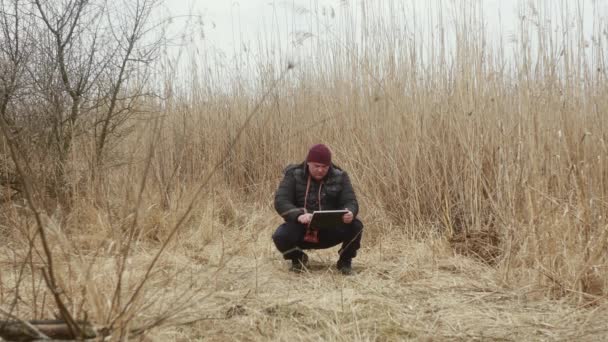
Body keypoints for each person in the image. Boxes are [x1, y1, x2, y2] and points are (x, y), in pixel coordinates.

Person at [272, 144, 363, 275]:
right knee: (280, 236)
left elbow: (350, 201)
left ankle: (345, 262)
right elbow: (281, 201)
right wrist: (298, 215)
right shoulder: (293, 174)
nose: (320, 170)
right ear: (308, 163)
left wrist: (350, 212)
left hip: (330, 230)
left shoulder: (340, 176)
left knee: (356, 225)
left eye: (324, 167)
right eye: (316, 166)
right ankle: (298, 259)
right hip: (302, 228)